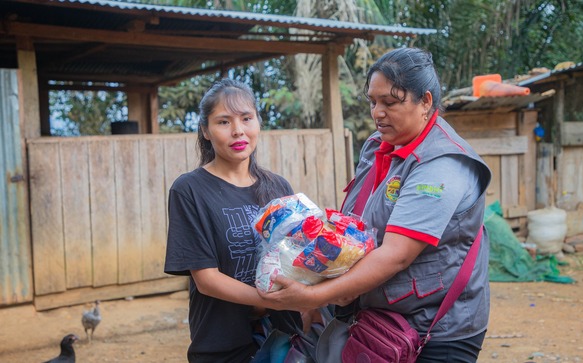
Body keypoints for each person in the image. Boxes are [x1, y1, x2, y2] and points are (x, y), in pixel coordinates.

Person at [258, 47, 492, 362]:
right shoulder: (378, 147)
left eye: (390, 102)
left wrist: (313, 295)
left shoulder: (442, 164)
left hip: (434, 329)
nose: (377, 112)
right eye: (373, 101)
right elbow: (355, 233)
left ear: (425, 101)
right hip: (380, 319)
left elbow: (396, 255)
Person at [164, 79, 300, 363]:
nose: (238, 130)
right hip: (222, 345)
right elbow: (207, 280)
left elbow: (297, 259)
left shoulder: (278, 187)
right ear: (205, 130)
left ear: (258, 123)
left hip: (284, 339)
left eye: (246, 119)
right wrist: (276, 300)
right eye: (224, 122)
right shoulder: (190, 190)